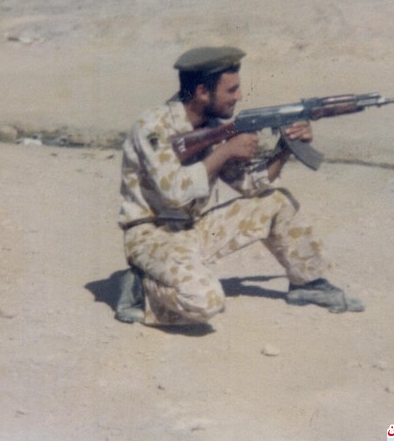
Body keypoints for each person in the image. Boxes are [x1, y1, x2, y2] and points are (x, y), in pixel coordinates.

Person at [116, 46, 363, 326]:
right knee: (205, 302)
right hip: (151, 236)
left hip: (193, 228)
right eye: (231, 90)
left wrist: (287, 147)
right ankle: (140, 290)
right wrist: (225, 151)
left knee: (276, 201)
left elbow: (250, 185)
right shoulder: (153, 127)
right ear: (202, 92)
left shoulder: (212, 126)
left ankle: (307, 283)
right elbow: (174, 193)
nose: (239, 97)